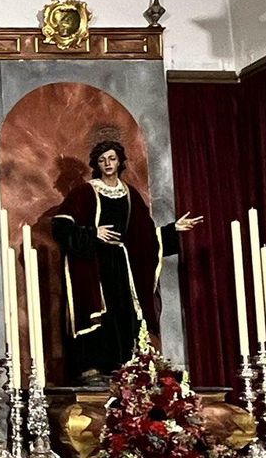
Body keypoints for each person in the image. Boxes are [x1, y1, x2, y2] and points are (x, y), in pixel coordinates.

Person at [51, 140, 201, 385]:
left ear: (120, 161)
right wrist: (92, 234)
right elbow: (60, 227)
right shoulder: (84, 192)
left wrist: (173, 230)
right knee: (98, 314)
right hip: (94, 266)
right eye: (102, 160)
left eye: (111, 158)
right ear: (96, 165)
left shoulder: (130, 194)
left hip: (124, 267)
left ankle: (124, 367)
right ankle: (93, 369)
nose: (107, 164)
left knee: (126, 313)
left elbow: (144, 237)